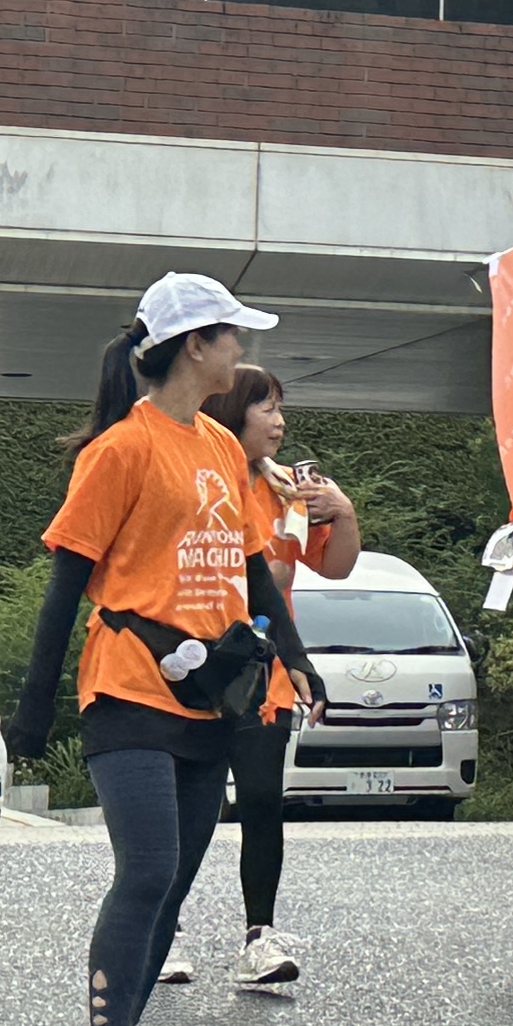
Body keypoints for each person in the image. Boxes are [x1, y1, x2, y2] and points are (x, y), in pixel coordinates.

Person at [5, 271, 295, 1026]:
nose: (241, 349)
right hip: (129, 691)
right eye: (231, 335)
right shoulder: (120, 450)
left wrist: (298, 658)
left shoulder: (219, 446)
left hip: (211, 703)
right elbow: (66, 583)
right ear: (195, 345)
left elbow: (250, 569)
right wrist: (33, 711)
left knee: (169, 884)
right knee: (145, 871)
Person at [162, 365, 359, 992]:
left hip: (265, 671)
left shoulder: (287, 491)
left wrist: (344, 513)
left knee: (262, 802)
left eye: (279, 408)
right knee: (182, 808)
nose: (279, 422)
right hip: (194, 666)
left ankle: (259, 937)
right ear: (230, 411)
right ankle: (163, 930)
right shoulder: (198, 482)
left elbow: (335, 567)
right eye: (266, 408)